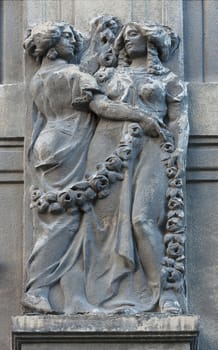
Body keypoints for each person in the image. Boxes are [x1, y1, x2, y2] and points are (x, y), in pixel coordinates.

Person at [56, 22, 188, 314]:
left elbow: (179, 118)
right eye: (124, 37)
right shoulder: (108, 75)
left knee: (143, 219)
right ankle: (103, 294)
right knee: (102, 223)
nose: (126, 41)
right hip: (107, 149)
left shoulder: (170, 80)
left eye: (133, 35)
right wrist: (140, 116)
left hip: (154, 147)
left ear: (151, 40)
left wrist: (180, 149)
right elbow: (99, 106)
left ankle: (165, 293)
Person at [23, 22, 101, 312]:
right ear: (51, 45)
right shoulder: (72, 74)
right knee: (65, 221)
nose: (73, 42)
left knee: (71, 219)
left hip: (47, 142)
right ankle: (37, 288)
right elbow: (101, 105)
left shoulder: (40, 77)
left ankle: (75, 298)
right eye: (66, 37)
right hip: (66, 144)